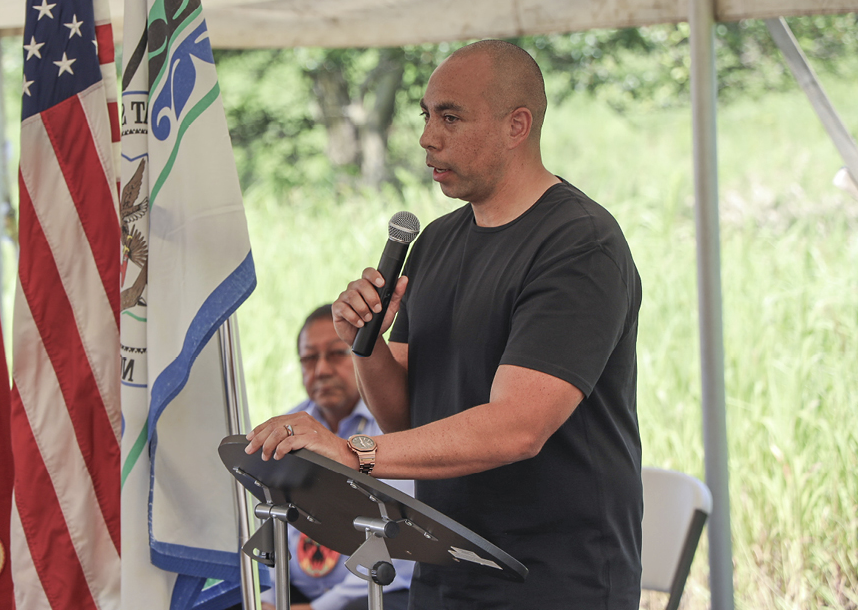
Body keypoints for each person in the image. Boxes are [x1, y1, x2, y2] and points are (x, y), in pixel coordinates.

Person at [246, 40, 643, 609]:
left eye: (451, 117)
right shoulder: (434, 241)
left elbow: (518, 428)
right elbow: (409, 414)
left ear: (517, 125)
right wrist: (366, 344)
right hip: (443, 566)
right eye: (427, 115)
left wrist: (352, 452)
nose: (428, 137)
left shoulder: (579, 243)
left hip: (555, 580)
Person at [262, 306, 413, 610]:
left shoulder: (394, 427)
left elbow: (401, 549)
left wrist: (318, 609)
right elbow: (270, 524)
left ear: (361, 358)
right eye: (309, 359)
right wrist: (271, 600)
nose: (321, 370)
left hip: (372, 593)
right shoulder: (288, 428)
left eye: (335, 355)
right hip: (297, 595)